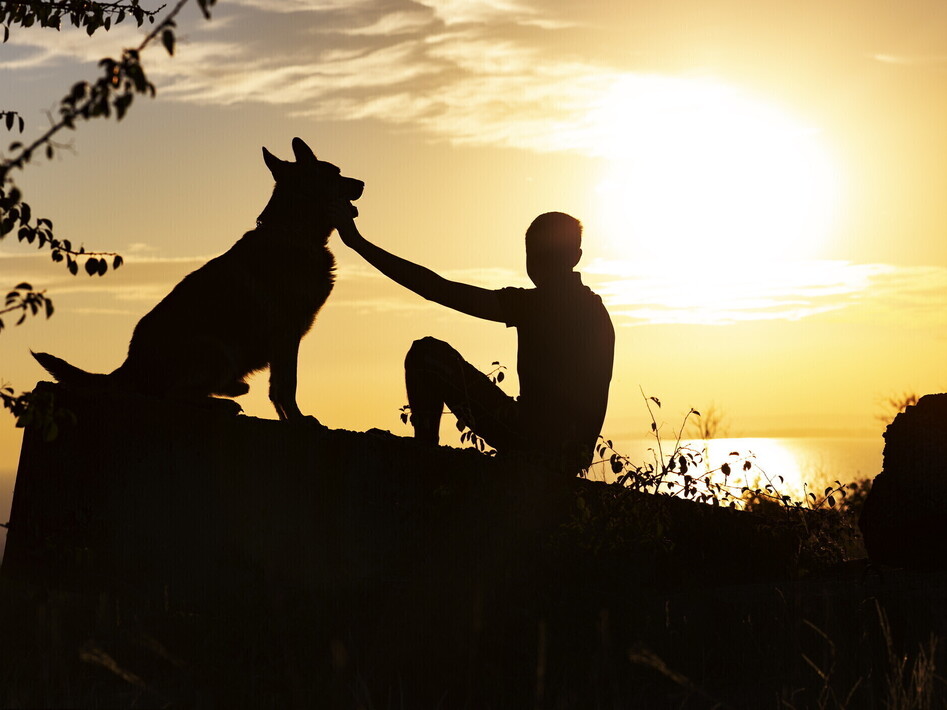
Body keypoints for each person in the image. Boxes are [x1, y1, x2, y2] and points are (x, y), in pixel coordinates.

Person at [331, 205, 614, 477]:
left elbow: (437, 289)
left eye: (543, 256)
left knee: (426, 355)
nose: (539, 264)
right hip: (571, 454)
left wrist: (357, 242)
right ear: (576, 256)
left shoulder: (536, 305)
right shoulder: (595, 310)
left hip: (531, 440)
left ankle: (424, 453)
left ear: (574, 258)